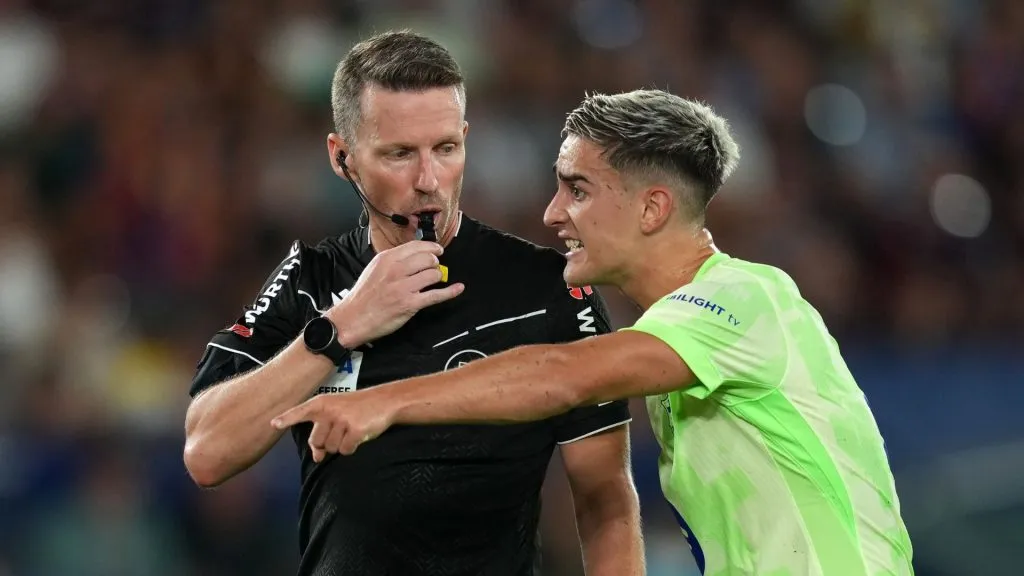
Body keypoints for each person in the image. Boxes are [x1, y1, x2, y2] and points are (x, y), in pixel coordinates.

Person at [272, 88, 916, 575]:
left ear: (652, 207)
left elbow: (562, 375)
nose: (553, 212)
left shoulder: (745, 298)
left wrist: (381, 401)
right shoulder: (675, 338)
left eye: (577, 189)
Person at [184, 31, 644, 576]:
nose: (429, 181)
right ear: (343, 158)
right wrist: (341, 326)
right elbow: (207, 452)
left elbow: (605, 501)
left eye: (446, 149)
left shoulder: (549, 289)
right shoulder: (310, 281)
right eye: (399, 154)